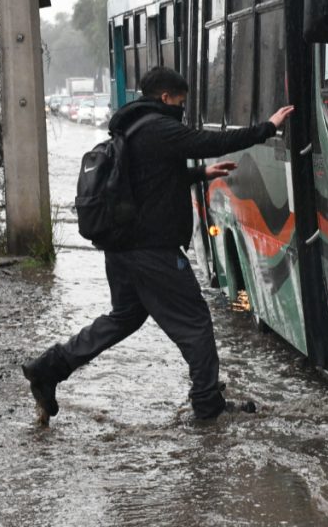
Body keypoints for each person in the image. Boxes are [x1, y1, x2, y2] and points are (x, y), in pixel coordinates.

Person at [22, 66, 294, 425]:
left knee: (124, 318)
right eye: (179, 103)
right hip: (151, 252)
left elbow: (148, 180)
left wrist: (199, 174)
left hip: (123, 250)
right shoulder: (158, 126)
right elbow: (209, 142)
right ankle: (207, 403)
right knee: (196, 323)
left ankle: (48, 369)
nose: (181, 111)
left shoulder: (134, 127)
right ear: (165, 98)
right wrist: (267, 128)